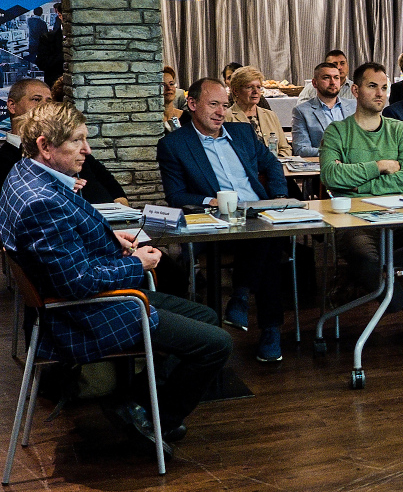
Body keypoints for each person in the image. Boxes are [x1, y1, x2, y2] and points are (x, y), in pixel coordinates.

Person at [1, 101, 231, 458]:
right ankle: (154, 417)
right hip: (84, 314)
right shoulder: (41, 201)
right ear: (46, 146)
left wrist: (112, 241)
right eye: (77, 141)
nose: (87, 150)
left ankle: (135, 404)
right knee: (216, 343)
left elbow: (66, 244)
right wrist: (136, 264)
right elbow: (76, 283)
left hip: (85, 301)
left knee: (206, 317)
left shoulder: (25, 176)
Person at [157, 78, 291, 363]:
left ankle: (244, 300)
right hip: (215, 221)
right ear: (192, 104)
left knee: (266, 232)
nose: (221, 112)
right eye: (213, 105)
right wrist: (211, 201)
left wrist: (278, 196)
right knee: (267, 242)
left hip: (257, 211)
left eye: (225, 106)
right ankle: (267, 327)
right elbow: (176, 195)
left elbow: (272, 164)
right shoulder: (174, 144)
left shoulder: (241, 133)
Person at [320, 62, 403, 342]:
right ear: (355, 90)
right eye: (372, 86)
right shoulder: (337, 131)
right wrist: (378, 166)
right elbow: (331, 176)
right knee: (364, 257)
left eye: (383, 87)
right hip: (354, 218)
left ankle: (363, 278)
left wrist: (356, 182)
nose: (380, 93)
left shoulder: (400, 129)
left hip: (401, 214)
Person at [0, 78, 130, 205]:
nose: (44, 106)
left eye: (49, 101)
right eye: (36, 100)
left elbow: (115, 190)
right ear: (12, 106)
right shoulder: (6, 160)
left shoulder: (77, 152)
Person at [291, 61, 356, 157]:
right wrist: (335, 154)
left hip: (355, 164)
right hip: (324, 166)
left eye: (336, 78)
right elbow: (301, 149)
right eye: (326, 78)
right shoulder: (302, 111)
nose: (333, 82)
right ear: (314, 83)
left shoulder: (354, 106)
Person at [226, 66, 291, 157]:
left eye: (258, 87)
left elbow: (285, 148)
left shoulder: (270, 115)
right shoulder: (227, 117)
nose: (256, 91)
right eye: (249, 87)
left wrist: (275, 163)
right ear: (236, 91)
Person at [163, 66, 183, 131]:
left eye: (171, 84)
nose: (169, 88)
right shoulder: (150, 120)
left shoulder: (187, 117)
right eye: (163, 85)